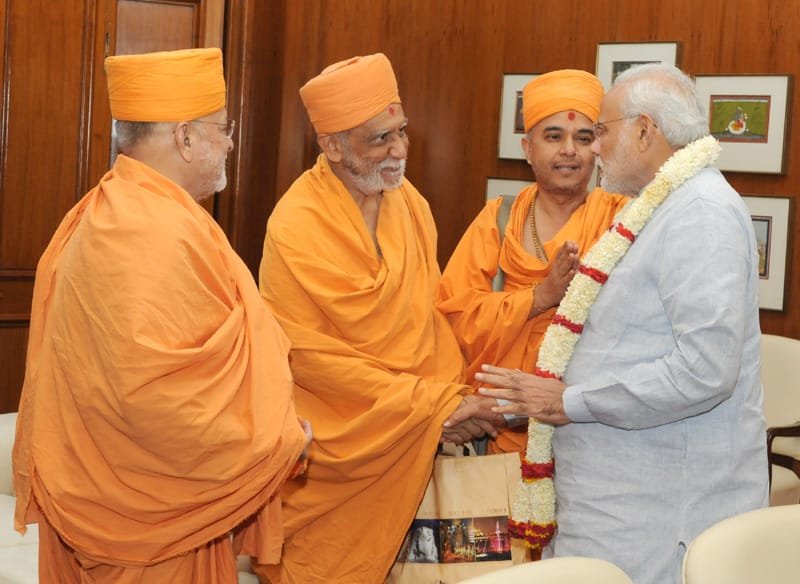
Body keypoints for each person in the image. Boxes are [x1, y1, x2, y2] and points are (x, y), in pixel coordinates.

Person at [12, 47, 311, 582]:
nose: (231, 142)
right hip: (148, 525)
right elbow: (158, 404)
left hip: (109, 507)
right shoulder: (154, 232)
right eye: (223, 128)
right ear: (185, 138)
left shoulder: (107, 210)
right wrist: (276, 439)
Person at [472, 64, 768, 584]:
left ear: (645, 130)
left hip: (661, 514)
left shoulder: (701, 212)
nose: (594, 149)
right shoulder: (661, 206)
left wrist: (568, 401)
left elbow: (704, 371)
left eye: (600, 131)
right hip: (620, 506)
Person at [257, 53, 502, 583]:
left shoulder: (411, 204)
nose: (400, 150)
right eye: (380, 139)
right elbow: (307, 357)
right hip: (336, 447)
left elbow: (428, 325)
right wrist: (435, 405)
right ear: (333, 146)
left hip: (422, 432)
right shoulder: (296, 223)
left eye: (402, 131)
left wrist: (446, 400)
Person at [437, 69, 628, 456]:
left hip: (591, 435)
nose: (569, 150)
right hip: (498, 435)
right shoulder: (499, 219)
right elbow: (454, 318)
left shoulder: (621, 220)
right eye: (554, 136)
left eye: (583, 138)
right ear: (527, 148)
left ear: (598, 148)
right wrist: (539, 297)